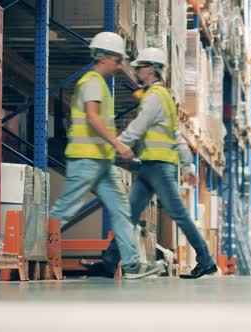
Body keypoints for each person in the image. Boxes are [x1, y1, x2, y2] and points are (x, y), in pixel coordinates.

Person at [81, 47, 218, 279]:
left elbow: (138, 128)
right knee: (129, 215)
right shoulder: (163, 96)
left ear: (153, 69)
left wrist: (114, 145)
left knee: (179, 214)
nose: (137, 71)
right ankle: (109, 262)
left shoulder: (154, 97)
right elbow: (176, 136)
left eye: (141, 67)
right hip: (150, 167)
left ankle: (206, 260)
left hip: (159, 167)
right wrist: (188, 166)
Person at [50, 32, 164, 280]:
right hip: (86, 159)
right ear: (103, 57)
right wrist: (118, 144)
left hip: (102, 161)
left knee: (121, 211)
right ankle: (34, 248)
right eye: (116, 59)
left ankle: (132, 265)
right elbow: (92, 118)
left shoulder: (101, 84)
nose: (119, 65)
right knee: (66, 209)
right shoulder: (91, 81)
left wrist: (117, 146)